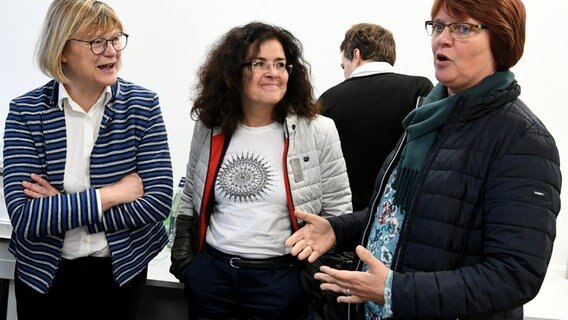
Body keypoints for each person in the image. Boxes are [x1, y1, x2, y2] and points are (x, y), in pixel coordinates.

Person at [286, 0, 562, 319]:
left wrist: (394, 290)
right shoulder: (426, 120)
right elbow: (401, 214)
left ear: (501, 39)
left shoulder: (522, 139)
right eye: (439, 26)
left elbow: (515, 275)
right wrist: (337, 229)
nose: (442, 39)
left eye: (462, 28)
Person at [2, 1, 173, 319]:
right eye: (96, 42)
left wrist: (65, 209)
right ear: (62, 50)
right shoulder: (25, 112)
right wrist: (113, 195)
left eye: (115, 39)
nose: (111, 52)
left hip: (120, 273)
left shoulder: (142, 106)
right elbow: (26, 217)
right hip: (44, 277)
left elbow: (158, 202)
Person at [169, 22, 352, 320]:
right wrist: (187, 267)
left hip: (281, 281)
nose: (273, 73)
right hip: (213, 279)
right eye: (259, 63)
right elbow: (191, 195)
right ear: (233, 72)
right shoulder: (209, 126)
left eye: (280, 64)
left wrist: (311, 278)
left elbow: (338, 210)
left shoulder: (318, 130)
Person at [319, 23, 433, 211]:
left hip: (346, 220)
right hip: (401, 212)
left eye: (343, 66)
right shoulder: (419, 89)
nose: (345, 73)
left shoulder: (327, 100)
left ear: (356, 55)